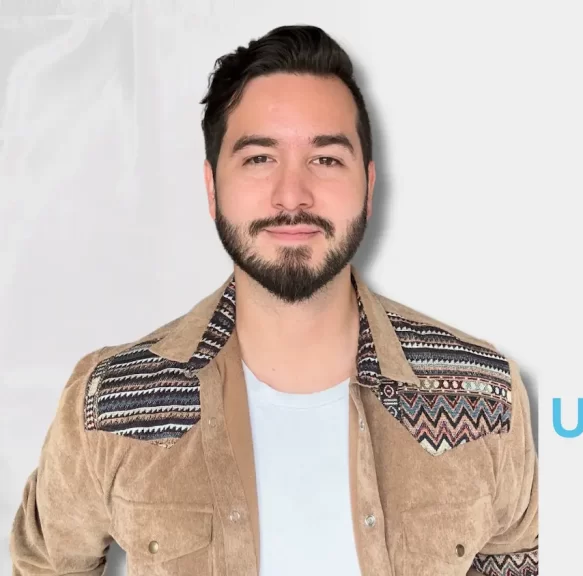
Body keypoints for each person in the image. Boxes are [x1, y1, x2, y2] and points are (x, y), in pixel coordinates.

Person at [9, 24, 539, 576]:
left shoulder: (484, 395)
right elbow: (47, 564)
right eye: (260, 158)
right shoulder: (112, 397)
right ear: (213, 188)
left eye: (326, 159)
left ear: (368, 185)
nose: (292, 195)